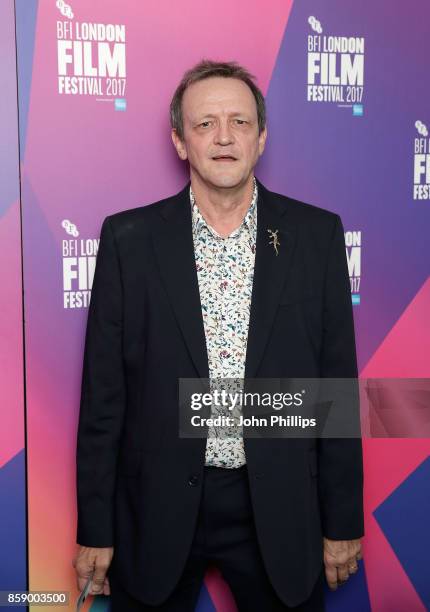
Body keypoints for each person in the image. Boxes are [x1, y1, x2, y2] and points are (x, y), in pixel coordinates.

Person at [73, 60, 364, 611]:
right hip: (155, 506)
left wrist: (343, 519)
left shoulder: (315, 235)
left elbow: (334, 390)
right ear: (180, 142)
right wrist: (96, 526)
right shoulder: (127, 240)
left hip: (276, 506)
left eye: (240, 122)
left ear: (262, 138)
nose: (224, 137)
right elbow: (103, 401)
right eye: (205, 124)